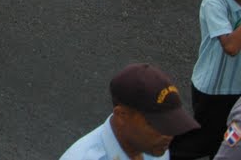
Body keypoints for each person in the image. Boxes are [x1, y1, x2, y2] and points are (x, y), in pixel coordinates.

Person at [169, 0, 241, 158]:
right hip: (215, 90)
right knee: (203, 138)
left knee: (228, 138)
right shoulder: (215, 1)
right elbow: (230, 47)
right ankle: (166, 154)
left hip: (236, 87)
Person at [59, 63, 199, 160]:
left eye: (170, 123)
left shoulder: (155, 146)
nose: (168, 134)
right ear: (122, 115)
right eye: (157, 124)